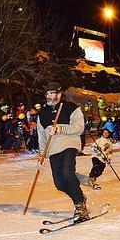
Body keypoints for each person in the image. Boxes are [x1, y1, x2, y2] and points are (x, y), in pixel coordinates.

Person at [37, 81, 88, 222]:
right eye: (47, 93)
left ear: (59, 94)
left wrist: (61, 128)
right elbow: (41, 136)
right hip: (53, 149)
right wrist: (42, 156)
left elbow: (79, 128)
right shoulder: (42, 113)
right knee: (59, 184)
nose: (49, 96)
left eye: (52, 93)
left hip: (69, 145)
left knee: (67, 173)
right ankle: (80, 197)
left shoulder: (71, 108)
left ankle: (79, 206)